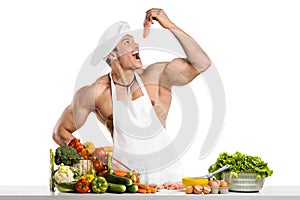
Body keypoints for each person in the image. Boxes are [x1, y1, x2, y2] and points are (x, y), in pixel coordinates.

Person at [52, 8, 211, 184]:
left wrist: (169, 24)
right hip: (126, 183)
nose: (136, 45)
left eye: (134, 41)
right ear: (112, 55)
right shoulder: (96, 92)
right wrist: (90, 159)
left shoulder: (156, 76)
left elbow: (202, 63)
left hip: (168, 180)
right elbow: (60, 132)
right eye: (127, 42)